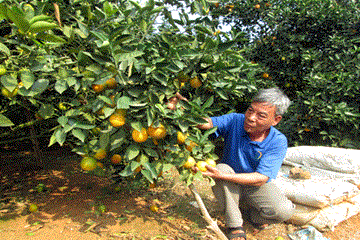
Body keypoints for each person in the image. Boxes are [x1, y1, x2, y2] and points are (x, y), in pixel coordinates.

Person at [169, 88, 295, 240]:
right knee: (221, 168)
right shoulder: (236, 120)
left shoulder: (278, 141)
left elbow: (261, 178)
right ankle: (234, 225)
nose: (251, 117)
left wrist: (221, 176)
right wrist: (183, 107)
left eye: (261, 115)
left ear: (276, 120)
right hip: (228, 181)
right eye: (250, 110)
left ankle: (252, 216)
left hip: (254, 184)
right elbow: (206, 123)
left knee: (284, 211)